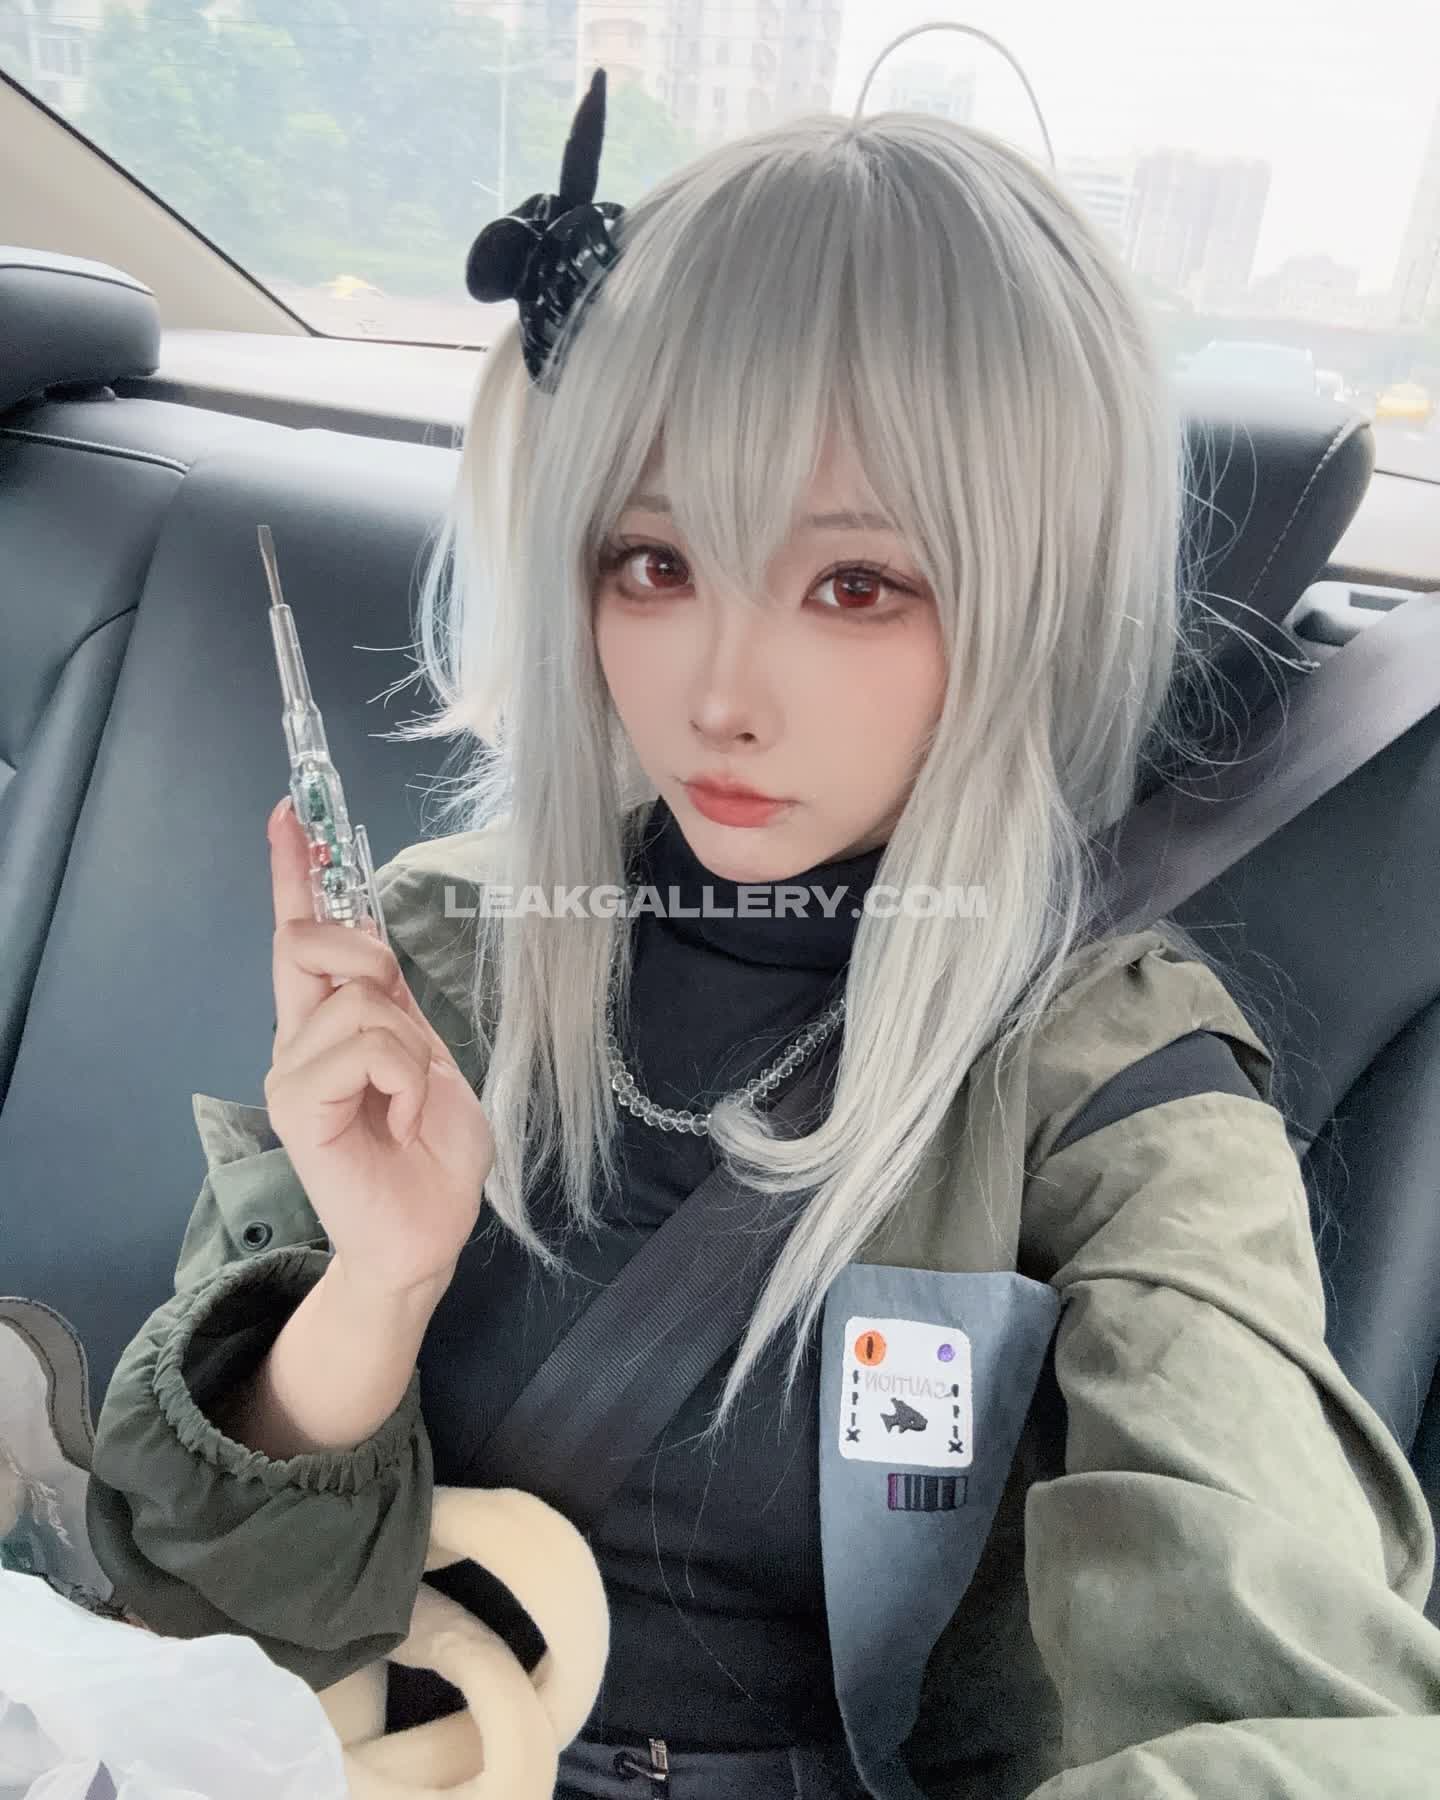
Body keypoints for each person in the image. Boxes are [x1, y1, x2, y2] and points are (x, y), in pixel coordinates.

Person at [85, 70, 1440, 1800]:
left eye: (854, 586)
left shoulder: (1111, 1079)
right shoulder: (449, 943)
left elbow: (1282, 1697)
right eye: (655, 564)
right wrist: (378, 1284)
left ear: (1025, 599)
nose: (720, 695)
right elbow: (191, 1606)